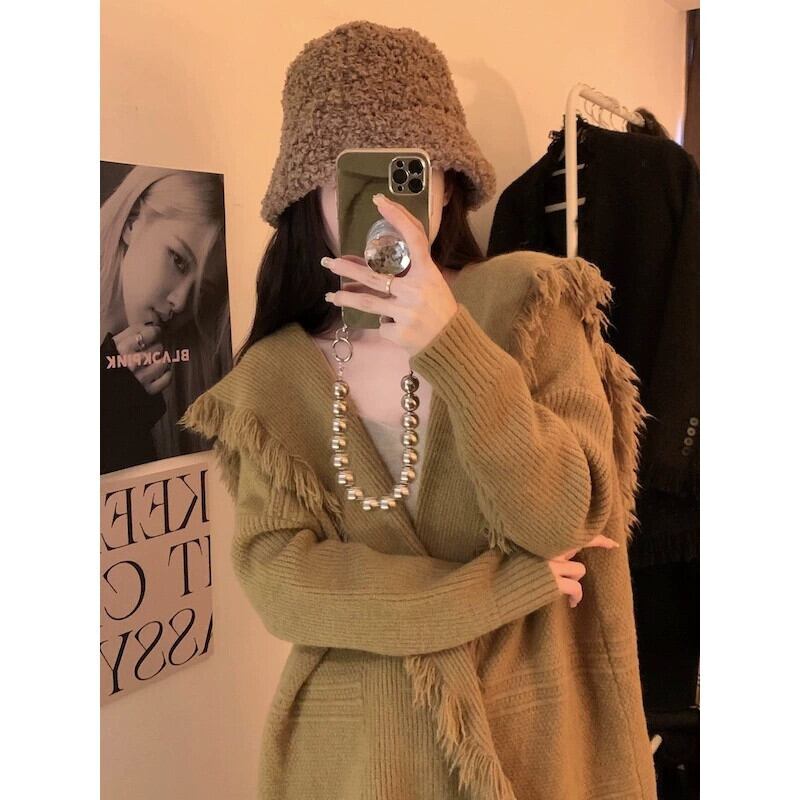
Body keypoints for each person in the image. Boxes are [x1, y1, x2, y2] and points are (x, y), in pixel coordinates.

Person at [179, 20, 657, 800]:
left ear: (450, 184)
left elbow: (566, 519)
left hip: (532, 746)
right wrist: (497, 591)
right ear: (307, 196)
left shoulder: (530, 303)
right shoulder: (273, 377)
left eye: (411, 171)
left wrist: (450, 345)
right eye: (352, 177)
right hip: (354, 762)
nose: (386, 206)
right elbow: (282, 583)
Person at [100, 165, 232, 473]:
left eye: (202, 291)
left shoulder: (180, 385)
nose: (182, 301)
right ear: (133, 222)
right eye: (178, 260)